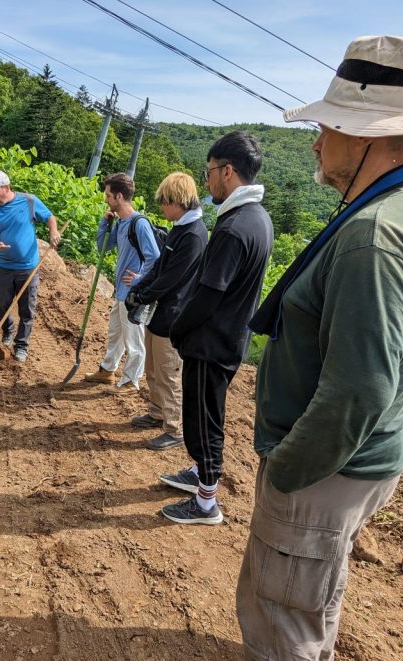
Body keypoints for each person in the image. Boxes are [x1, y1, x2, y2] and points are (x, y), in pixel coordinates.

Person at [193, 36, 403, 661]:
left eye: (326, 125)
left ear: (365, 133)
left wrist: (287, 464)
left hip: (330, 461)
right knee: (317, 575)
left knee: (286, 584)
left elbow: (358, 388)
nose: (318, 138)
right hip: (368, 456)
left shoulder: (376, 235)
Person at [158, 132, 272, 524]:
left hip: (211, 341)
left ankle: (206, 501)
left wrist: (177, 329)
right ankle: (199, 474)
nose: (206, 183)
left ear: (227, 171)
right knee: (206, 414)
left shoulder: (233, 227)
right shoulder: (258, 219)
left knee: (204, 419)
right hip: (229, 336)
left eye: (208, 173)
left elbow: (208, 296)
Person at [125, 172, 208, 451]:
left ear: (178, 200)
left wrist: (144, 294)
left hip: (175, 315)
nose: (162, 207)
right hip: (160, 313)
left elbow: (173, 277)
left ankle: (174, 430)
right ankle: (156, 412)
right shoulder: (179, 229)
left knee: (169, 373)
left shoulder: (194, 235)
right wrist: (140, 288)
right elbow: (160, 267)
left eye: (164, 202)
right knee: (152, 368)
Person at [83, 172, 160, 393]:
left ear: (118, 196)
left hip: (133, 294)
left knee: (134, 340)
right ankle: (107, 370)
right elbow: (103, 248)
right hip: (120, 291)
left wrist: (138, 278)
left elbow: (154, 256)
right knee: (115, 333)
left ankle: (130, 381)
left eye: (108, 195)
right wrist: (104, 223)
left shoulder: (139, 223)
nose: (106, 200)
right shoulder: (120, 223)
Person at [0, 170, 60, 363]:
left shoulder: (28, 201)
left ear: (6, 187)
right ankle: (8, 330)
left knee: (27, 309)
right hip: (5, 265)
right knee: (0, 302)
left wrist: (54, 232)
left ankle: (22, 345)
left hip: (28, 267)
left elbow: (50, 217)